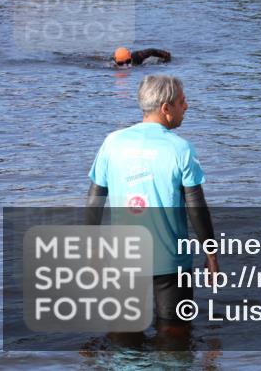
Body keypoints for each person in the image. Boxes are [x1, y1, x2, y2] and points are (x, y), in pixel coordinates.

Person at [85, 75, 219, 334]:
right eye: (182, 101)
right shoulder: (182, 149)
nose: (187, 106)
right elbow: (196, 207)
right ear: (166, 109)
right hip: (171, 263)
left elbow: (94, 200)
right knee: (175, 341)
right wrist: (211, 255)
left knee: (124, 338)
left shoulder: (112, 143)